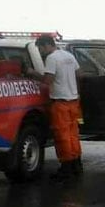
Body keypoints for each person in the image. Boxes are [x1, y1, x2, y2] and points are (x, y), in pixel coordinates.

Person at [27, 35, 82, 180]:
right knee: (73, 134)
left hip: (60, 103)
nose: (41, 51)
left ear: (46, 45)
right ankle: (76, 165)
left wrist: (33, 74)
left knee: (62, 136)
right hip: (73, 101)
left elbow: (47, 80)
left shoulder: (52, 58)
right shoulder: (69, 56)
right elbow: (78, 74)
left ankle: (66, 169)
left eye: (40, 48)